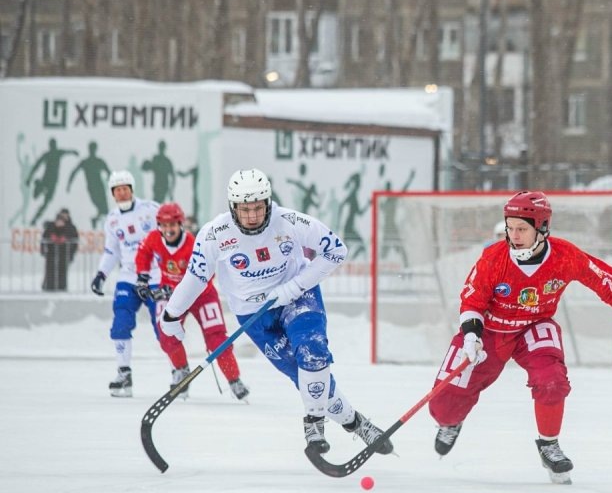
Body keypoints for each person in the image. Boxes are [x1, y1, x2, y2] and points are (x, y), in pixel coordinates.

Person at [428, 190, 612, 484]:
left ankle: (549, 445)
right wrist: (471, 334)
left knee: (552, 381)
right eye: (510, 228)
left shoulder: (565, 256)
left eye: (522, 228)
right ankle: (451, 422)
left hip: (532, 327)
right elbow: (472, 299)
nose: (514, 235)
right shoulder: (494, 258)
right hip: (490, 332)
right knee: (442, 406)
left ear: (542, 227)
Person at [159, 168, 393, 456]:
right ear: (232, 207)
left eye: (259, 207)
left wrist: (294, 287)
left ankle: (313, 423)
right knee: (307, 379)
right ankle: (356, 422)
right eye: (245, 210)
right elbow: (195, 277)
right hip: (254, 316)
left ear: (268, 203)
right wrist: (172, 313)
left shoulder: (289, 221)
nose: (253, 216)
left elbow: (337, 251)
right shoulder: (214, 234)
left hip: (298, 297)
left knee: (313, 353)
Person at [135, 202, 250, 401]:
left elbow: (206, 273)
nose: (168, 229)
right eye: (164, 225)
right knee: (166, 333)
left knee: (217, 338)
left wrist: (173, 289)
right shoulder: (153, 239)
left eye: (172, 225)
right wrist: (142, 278)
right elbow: (143, 254)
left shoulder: (193, 244)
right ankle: (181, 372)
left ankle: (234, 379)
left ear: (181, 224)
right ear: (159, 226)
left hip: (202, 295)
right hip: (171, 296)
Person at [91, 170, 161, 398]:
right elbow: (112, 250)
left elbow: (170, 233)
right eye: (117, 190)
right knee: (120, 322)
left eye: (125, 188)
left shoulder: (151, 209)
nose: (122, 193)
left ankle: (177, 371)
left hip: (154, 275)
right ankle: (124, 373)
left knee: (162, 324)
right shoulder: (112, 219)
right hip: (128, 276)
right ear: (113, 193)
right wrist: (101, 274)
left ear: (132, 189)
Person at [40, 208, 79, 291]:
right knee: (50, 272)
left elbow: (74, 240)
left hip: (64, 254)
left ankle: (61, 287)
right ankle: (48, 286)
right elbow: (45, 238)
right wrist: (44, 250)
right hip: (51, 254)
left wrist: (71, 254)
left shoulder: (71, 227)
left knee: (62, 272)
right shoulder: (51, 226)